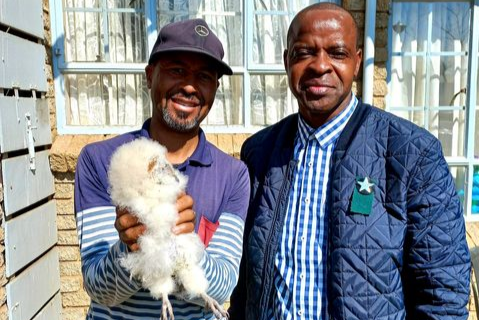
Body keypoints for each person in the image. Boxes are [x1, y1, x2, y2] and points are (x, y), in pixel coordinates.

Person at [229, 3, 471, 320]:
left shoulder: (412, 153)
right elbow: (244, 283)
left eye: (337, 53)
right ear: (287, 61)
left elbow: (442, 296)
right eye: (304, 53)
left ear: (356, 62)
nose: (320, 65)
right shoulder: (260, 153)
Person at [74, 18, 250, 320]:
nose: (190, 86)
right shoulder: (103, 161)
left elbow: (222, 289)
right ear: (149, 75)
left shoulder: (232, 175)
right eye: (177, 70)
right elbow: (99, 289)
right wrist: (129, 249)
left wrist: (185, 246)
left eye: (204, 76)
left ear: (215, 89)